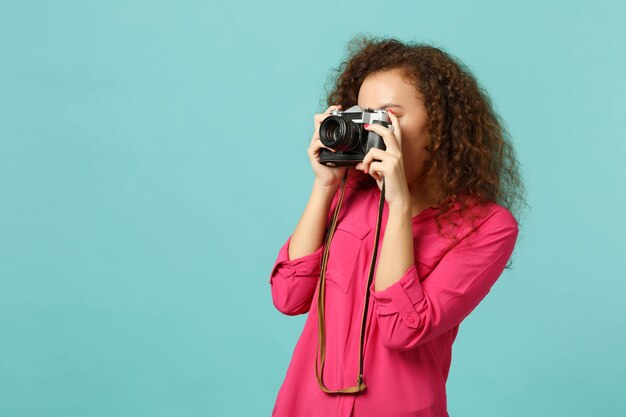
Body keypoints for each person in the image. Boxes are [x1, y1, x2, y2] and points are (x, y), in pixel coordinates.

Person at [268, 36, 526, 417]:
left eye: (389, 115)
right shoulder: (348, 194)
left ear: (438, 127)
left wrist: (398, 203)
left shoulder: (487, 226)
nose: (376, 128)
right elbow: (288, 296)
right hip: (306, 405)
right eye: (365, 114)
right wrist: (324, 186)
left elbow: (402, 330)